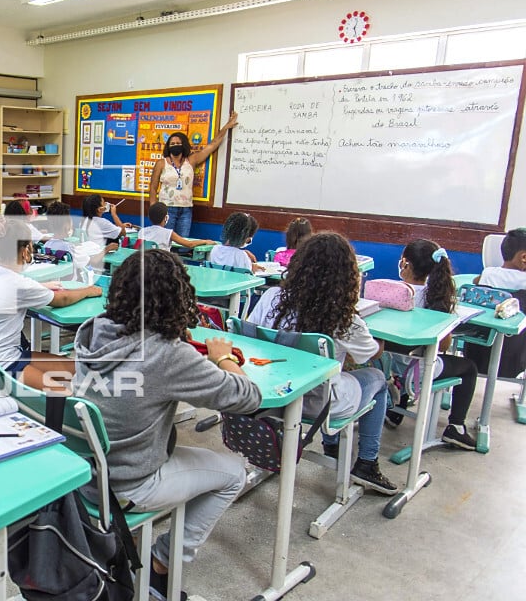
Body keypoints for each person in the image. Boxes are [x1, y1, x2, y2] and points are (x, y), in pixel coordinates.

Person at [75, 248, 261, 599]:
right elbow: (247, 395)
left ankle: (130, 544)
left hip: (85, 479)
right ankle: (162, 562)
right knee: (234, 474)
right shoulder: (168, 354)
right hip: (129, 486)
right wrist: (222, 357)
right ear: (176, 299)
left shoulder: (93, 332)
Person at [247, 232, 399, 495]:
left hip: (271, 394)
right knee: (376, 378)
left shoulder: (271, 297)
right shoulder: (343, 317)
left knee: (339, 374)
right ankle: (367, 463)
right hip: (320, 403)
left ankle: (332, 446)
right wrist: (379, 343)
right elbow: (370, 353)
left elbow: (250, 335)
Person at [0, 216, 101, 391]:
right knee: (63, 397)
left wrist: (39, 287)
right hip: (7, 364)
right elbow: (61, 300)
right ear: (26, 251)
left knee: (77, 368)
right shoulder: (19, 285)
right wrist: (88, 290)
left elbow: (11, 288)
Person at [391, 239, 478, 449]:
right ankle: (456, 427)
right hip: (418, 371)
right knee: (469, 368)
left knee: (402, 354)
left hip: (388, 365)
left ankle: (394, 410)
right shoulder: (436, 299)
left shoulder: (388, 291)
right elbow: (443, 346)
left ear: (405, 264)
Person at [146, 113, 238, 239]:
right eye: (172, 144)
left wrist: (227, 127)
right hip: (166, 208)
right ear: (168, 146)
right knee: (164, 242)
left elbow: (212, 146)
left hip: (186, 209)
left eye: (178, 143)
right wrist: (153, 209)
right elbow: (153, 187)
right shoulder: (161, 163)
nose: (175, 145)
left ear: (183, 145)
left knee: (183, 243)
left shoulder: (191, 160)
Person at [43, 201, 115, 276]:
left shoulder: (46, 245)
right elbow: (92, 262)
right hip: (72, 284)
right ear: (67, 225)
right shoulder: (72, 249)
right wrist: (106, 249)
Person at [139, 202, 217, 250]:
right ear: (166, 218)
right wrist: (205, 241)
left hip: (146, 263)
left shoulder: (142, 231)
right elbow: (189, 244)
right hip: (162, 264)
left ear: (149, 217)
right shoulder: (168, 233)